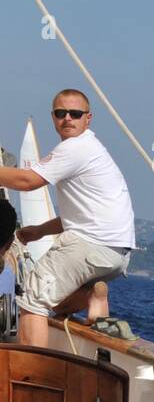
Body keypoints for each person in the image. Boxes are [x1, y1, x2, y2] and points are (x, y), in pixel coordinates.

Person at [0, 89, 135, 346]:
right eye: (61, 113)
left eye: (75, 113)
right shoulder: (94, 150)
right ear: (53, 117)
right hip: (116, 253)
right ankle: (91, 293)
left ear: (88, 118)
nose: (67, 119)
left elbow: (28, 181)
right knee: (54, 301)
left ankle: (32, 377)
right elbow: (85, 214)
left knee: (32, 299)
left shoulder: (75, 149)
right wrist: (39, 231)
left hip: (91, 246)